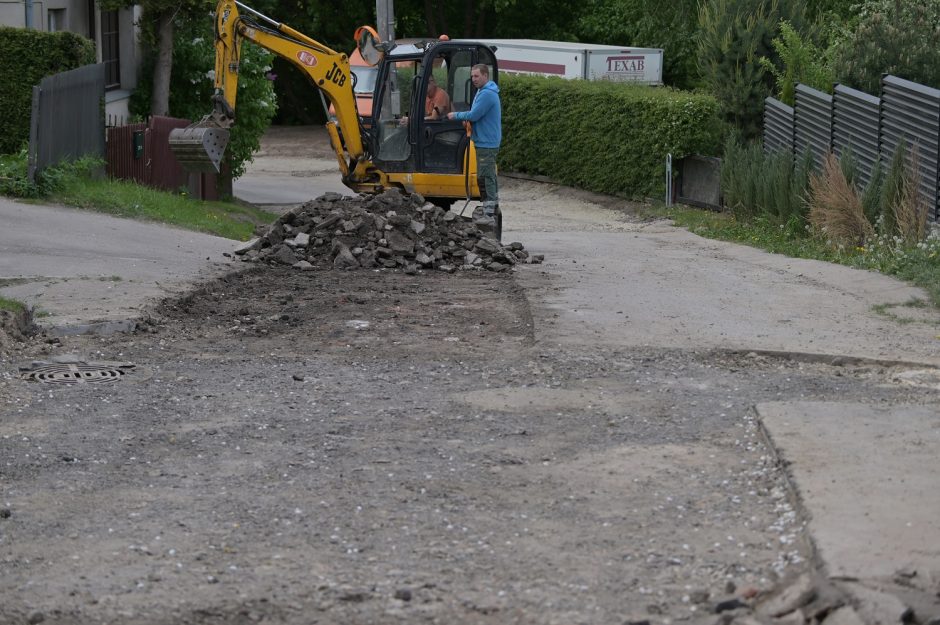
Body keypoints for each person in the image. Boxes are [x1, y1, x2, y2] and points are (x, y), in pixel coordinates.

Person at [447, 64, 501, 229]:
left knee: (486, 176)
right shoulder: (482, 92)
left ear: (485, 75)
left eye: (476, 76)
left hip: (487, 142)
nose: (474, 79)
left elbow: (475, 114)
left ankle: (489, 214)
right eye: (472, 76)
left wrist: (455, 115)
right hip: (482, 140)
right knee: (483, 176)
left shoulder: (487, 94)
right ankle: (488, 208)